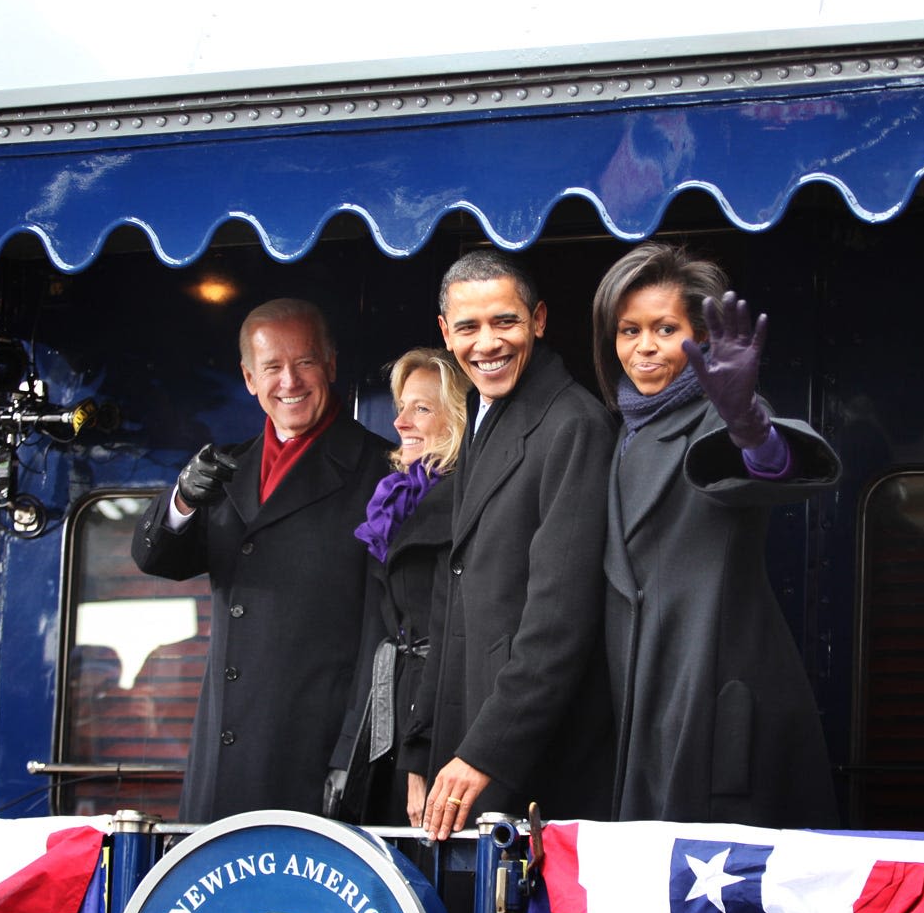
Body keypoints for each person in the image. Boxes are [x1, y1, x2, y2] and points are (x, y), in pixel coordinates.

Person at [593, 244, 841, 825]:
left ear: (700, 336)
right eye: (629, 331)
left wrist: (751, 427)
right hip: (641, 699)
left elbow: (770, 468)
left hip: (713, 693)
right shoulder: (617, 433)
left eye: (664, 328)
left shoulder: (720, 415)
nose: (644, 347)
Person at [133, 298, 391, 822]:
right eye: (272, 367)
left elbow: (381, 636)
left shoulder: (381, 472)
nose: (289, 382)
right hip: (221, 763)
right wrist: (182, 497)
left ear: (332, 365)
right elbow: (155, 557)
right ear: (250, 379)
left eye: (305, 363)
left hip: (313, 765)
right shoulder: (226, 468)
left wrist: (351, 756)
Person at [420, 251, 614, 840]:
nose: (487, 344)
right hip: (466, 740)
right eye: (468, 327)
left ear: (539, 320)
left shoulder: (574, 424)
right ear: (445, 333)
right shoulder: (488, 414)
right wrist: (419, 749)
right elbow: (451, 592)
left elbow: (560, 620)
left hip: (526, 757)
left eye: (504, 322)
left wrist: (486, 752)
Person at [325, 349, 472, 827]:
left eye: (422, 409)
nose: (401, 421)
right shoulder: (397, 497)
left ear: (459, 419)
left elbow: (447, 637)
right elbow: (380, 631)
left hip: (436, 725)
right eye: (402, 406)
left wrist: (419, 759)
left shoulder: (464, 503)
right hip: (389, 714)